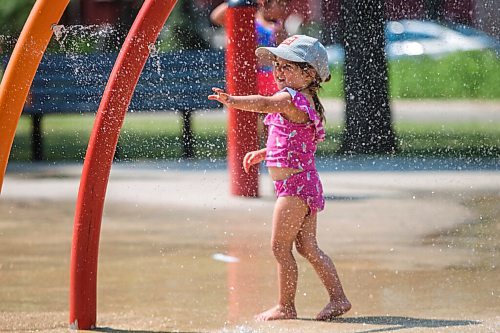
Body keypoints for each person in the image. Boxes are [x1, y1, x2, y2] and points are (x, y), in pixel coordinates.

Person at [208, 35, 351, 321]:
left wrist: (232, 100)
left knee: (279, 247)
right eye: (277, 66)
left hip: (295, 189)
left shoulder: (289, 99)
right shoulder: (304, 101)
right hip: (304, 184)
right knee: (308, 247)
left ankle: (286, 306)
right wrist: (264, 153)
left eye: (287, 67)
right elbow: (295, 143)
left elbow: (263, 103)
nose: (279, 73)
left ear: (308, 73)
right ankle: (338, 298)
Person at [210, 0, 290, 96]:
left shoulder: (278, 24)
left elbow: (282, 51)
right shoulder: (247, 18)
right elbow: (215, 17)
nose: (284, 9)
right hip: (248, 72)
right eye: (280, 4)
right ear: (266, 4)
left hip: (269, 73)